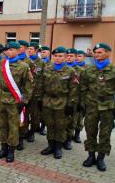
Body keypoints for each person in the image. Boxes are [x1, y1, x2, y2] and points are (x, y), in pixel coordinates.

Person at [0, 41, 32, 163]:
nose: (8, 52)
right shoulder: (1, 63)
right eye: (7, 50)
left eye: (11, 50)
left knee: (13, 127)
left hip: (14, 100)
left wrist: (24, 101)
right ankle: (3, 148)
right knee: (1, 124)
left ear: (17, 51)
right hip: (1, 98)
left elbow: (28, 85)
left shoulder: (24, 66)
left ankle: (11, 150)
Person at [39, 46, 78, 159]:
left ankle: (58, 148)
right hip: (48, 101)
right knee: (50, 124)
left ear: (65, 57)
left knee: (60, 126)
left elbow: (73, 90)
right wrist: (39, 99)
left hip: (62, 102)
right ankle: (50, 146)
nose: (58, 58)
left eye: (60, 56)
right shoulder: (47, 68)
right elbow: (41, 85)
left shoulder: (70, 71)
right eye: (55, 56)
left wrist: (71, 104)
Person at [80, 43, 114, 172]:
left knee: (105, 133)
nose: (96, 54)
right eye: (96, 52)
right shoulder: (88, 70)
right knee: (90, 131)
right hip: (91, 106)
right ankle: (90, 156)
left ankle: (101, 158)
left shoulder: (113, 70)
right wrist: (82, 104)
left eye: (100, 52)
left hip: (108, 107)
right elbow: (83, 88)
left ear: (108, 53)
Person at [24, 42, 45, 142]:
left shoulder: (41, 62)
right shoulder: (25, 61)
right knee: (24, 113)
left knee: (34, 115)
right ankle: (24, 131)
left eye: (31, 49)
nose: (29, 50)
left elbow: (42, 79)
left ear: (36, 50)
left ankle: (32, 132)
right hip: (26, 92)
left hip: (36, 93)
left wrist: (40, 95)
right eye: (28, 48)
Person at [16, 40, 34, 151]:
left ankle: (21, 138)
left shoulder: (29, 62)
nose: (18, 48)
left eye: (20, 46)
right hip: (12, 95)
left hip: (23, 95)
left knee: (23, 118)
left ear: (26, 48)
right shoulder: (12, 60)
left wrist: (26, 98)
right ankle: (13, 137)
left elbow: (31, 81)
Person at [65, 48, 84, 148]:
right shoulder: (61, 68)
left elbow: (83, 88)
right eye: (67, 56)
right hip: (62, 99)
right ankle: (62, 139)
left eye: (71, 56)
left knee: (72, 121)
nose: (69, 58)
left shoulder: (80, 71)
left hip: (75, 100)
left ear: (75, 57)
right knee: (62, 120)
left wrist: (82, 103)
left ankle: (69, 139)